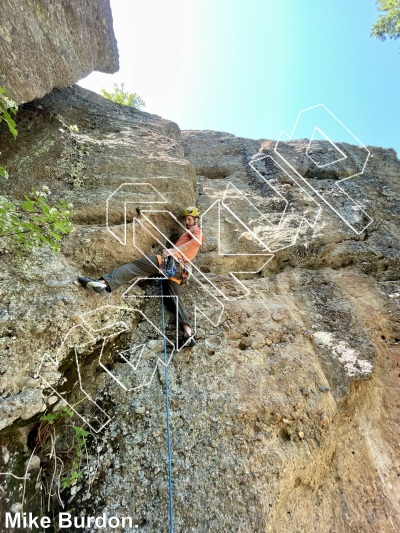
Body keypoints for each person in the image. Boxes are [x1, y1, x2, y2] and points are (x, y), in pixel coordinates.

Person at [77, 207, 204, 349]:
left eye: (189, 219)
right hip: (179, 272)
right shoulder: (189, 234)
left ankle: (102, 282)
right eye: (185, 219)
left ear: (196, 219)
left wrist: (172, 250)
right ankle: (188, 333)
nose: (186, 222)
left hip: (170, 263)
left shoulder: (195, 230)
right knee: (174, 300)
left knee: (135, 267)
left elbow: (196, 242)